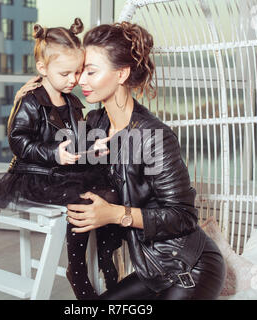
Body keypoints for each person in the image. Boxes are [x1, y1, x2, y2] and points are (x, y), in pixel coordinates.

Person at [66, 21, 226, 300]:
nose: (81, 80)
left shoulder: (153, 137)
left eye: (91, 71)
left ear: (121, 73)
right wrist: (38, 92)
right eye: (81, 71)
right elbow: (66, 166)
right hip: (151, 271)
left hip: (189, 269)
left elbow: (184, 216)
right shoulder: (94, 123)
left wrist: (115, 215)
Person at [0, 18, 122, 300]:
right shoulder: (31, 101)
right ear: (43, 68)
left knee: (110, 190)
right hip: (35, 174)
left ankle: (106, 256)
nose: (74, 80)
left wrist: (94, 144)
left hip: (63, 170)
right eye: (66, 73)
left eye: (78, 72)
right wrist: (53, 152)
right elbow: (18, 141)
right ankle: (77, 269)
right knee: (80, 199)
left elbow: (76, 139)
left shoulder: (71, 102)